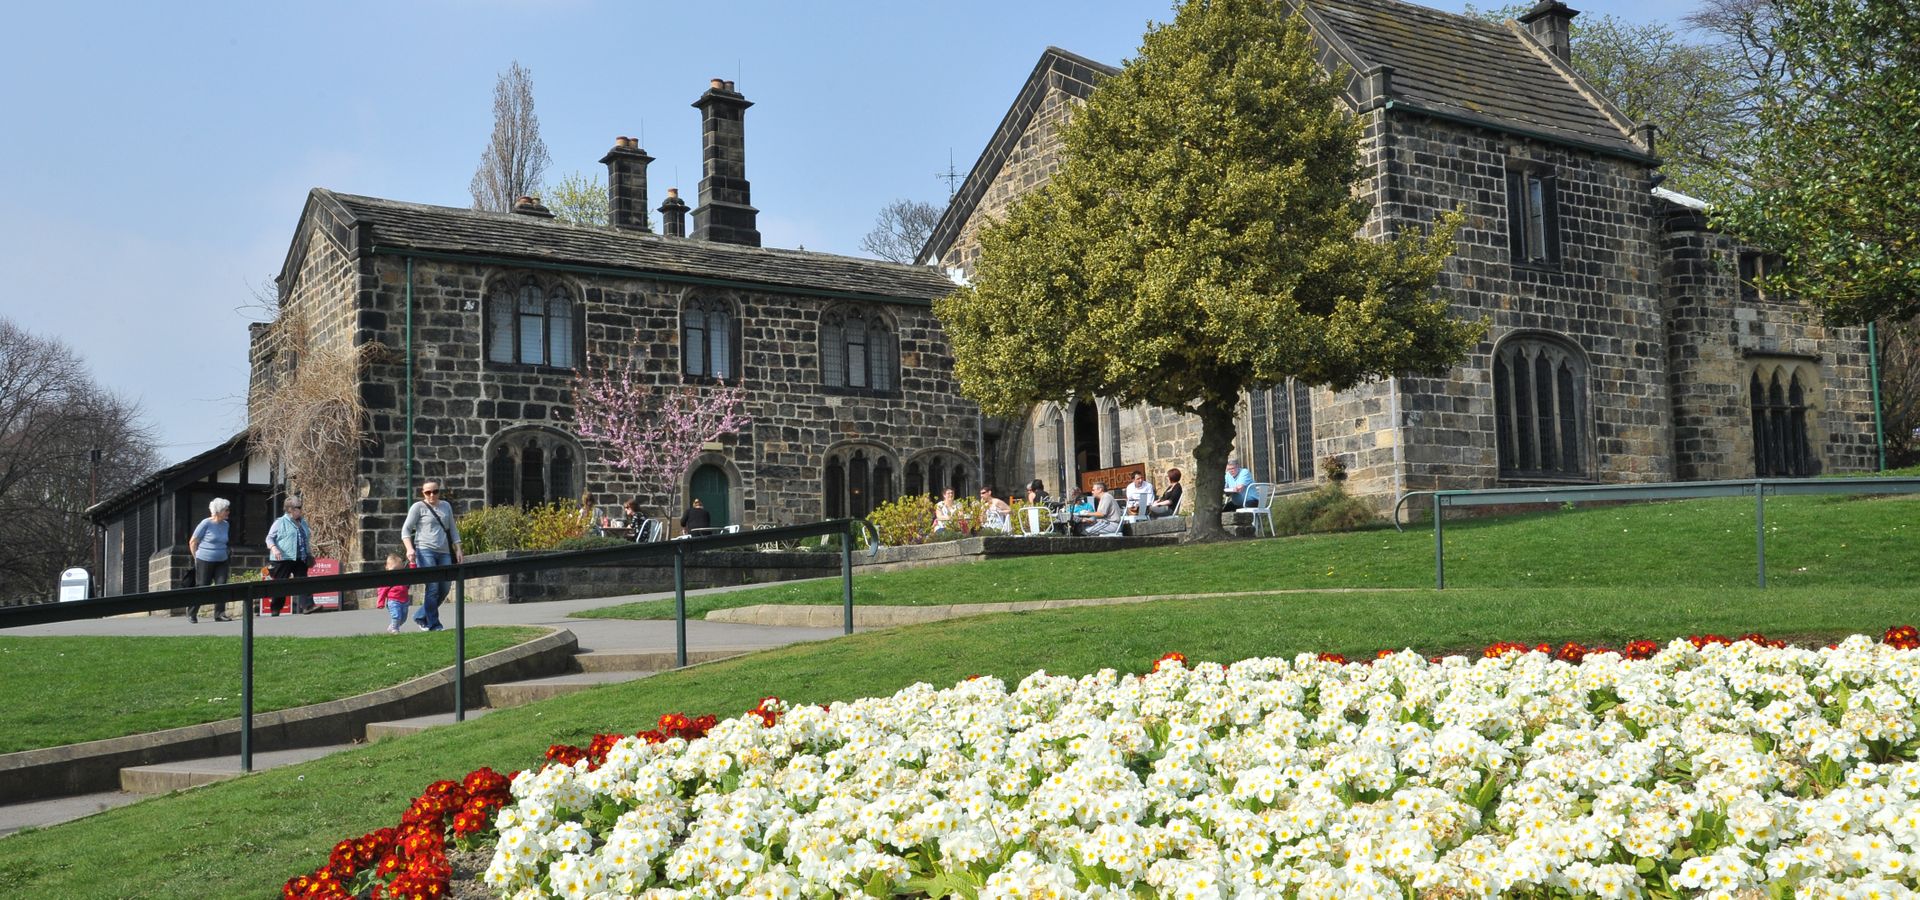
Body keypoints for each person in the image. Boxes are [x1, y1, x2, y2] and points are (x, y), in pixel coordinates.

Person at [402, 480, 462, 632]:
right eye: (428, 492)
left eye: (435, 491)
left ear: (439, 492)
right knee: (433, 587)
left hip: (444, 553)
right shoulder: (418, 507)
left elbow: (452, 529)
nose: (432, 495)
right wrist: (410, 549)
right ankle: (434, 624)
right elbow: (406, 530)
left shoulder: (446, 506)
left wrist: (458, 548)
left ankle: (421, 615)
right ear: (422, 493)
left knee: (445, 587)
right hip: (425, 550)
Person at [265, 497, 314, 616]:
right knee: (281, 585)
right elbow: (269, 538)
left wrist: (309, 554)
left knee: (303, 582)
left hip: (300, 558)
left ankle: (307, 606)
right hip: (283, 559)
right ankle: (275, 609)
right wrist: (274, 548)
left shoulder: (303, 522)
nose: (301, 510)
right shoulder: (280, 522)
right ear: (290, 509)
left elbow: (305, 540)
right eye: (299, 507)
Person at [187, 498, 234, 623]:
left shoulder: (226, 525)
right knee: (203, 586)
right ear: (218, 511)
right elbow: (193, 542)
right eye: (226, 510)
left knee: (221, 586)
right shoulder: (205, 523)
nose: (228, 512)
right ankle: (192, 612)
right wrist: (196, 558)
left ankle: (220, 614)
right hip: (204, 559)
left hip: (222, 560)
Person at [375, 553, 411, 635]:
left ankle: (392, 627)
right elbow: (382, 591)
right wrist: (380, 602)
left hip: (404, 601)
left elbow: (412, 574)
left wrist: (412, 563)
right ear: (387, 568)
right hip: (393, 601)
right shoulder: (388, 579)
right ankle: (395, 629)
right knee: (396, 616)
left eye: (399, 570)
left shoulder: (403, 577)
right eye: (394, 569)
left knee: (403, 619)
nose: (397, 573)